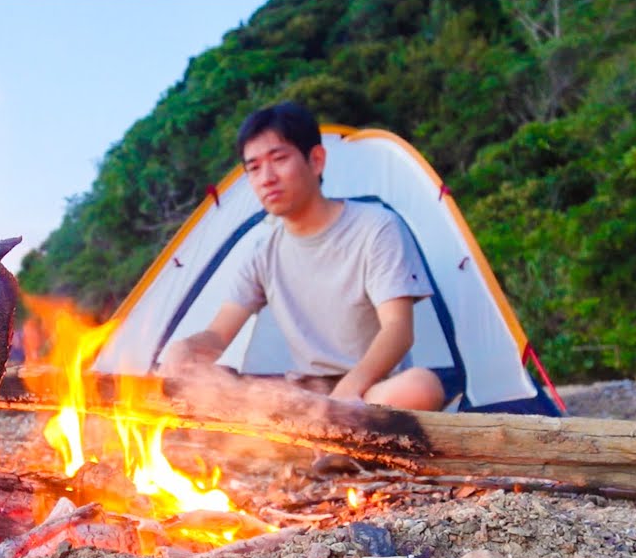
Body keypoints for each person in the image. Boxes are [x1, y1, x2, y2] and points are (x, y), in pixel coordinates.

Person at [159, 101, 445, 412]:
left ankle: (335, 439)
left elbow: (398, 329)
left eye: (279, 159)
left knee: (421, 386)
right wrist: (185, 349)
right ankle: (321, 442)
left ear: (316, 160)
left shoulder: (375, 227)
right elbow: (218, 334)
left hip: (371, 392)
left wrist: (347, 392)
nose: (266, 177)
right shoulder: (262, 254)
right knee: (206, 384)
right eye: (253, 168)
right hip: (305, 397)